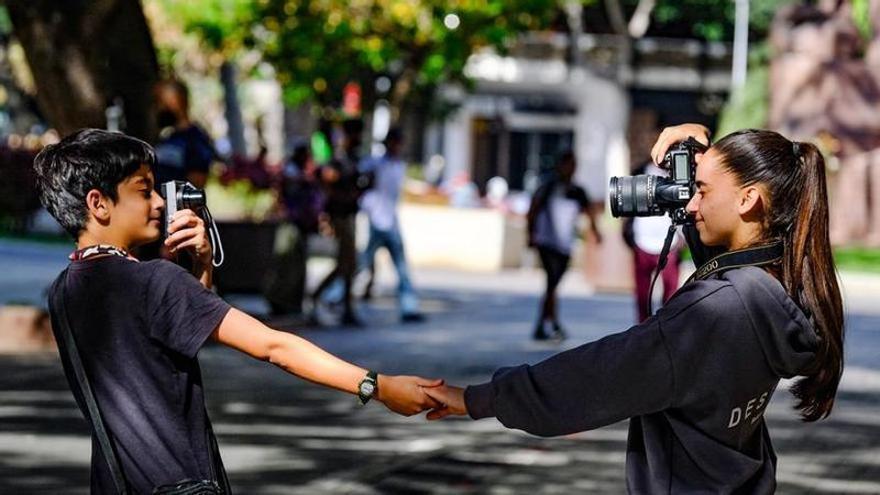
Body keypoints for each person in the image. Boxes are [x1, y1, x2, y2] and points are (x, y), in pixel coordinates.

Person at [424, 124, 845, 493]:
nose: (690, 204)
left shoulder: (716, 311)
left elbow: (595, 376)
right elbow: (729, 264)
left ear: (749, 199)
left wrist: (476, 399)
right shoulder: (776, 287)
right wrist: (704, 159)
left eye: (700, 190)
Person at [33, 129, 442, 493]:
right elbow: (273, 347)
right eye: (144, 190)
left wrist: (201, 267)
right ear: (98, 204)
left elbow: (174, 345)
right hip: (181, 481)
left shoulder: (64, 290)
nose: (159, 202)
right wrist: (380, 387)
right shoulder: (154, 280)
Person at [526, 151, 602, 340]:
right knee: (552, 283)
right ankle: (551, 324)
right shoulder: (549, 186)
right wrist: (530, 235)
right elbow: (533, 210)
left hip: (564, 244)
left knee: (552, 286)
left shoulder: (577, 190)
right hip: (547, 242)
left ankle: (545, 323)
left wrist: (595, 232)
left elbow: (589, 211)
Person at [357, 128, 424, 322]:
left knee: (402, 269)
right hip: (376, 221)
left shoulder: (398, 166)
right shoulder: (375, 163)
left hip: (391, 222)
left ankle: (409, 307)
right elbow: (363, 183)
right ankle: (334, 297)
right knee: (362, 263)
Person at [312, 118, 371, 326]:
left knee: (349, 264)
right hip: (340, 215)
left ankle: (345, 307)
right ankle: (317, 296)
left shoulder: (353, 158)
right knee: (346, 263)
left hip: (350, 215)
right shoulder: (337, 159)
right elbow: (327, 184)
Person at [264, 142, 323, 316]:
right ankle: (278, 299)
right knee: (285, 262)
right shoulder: (291, 172)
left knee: (297, 265)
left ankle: (291, 302)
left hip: (301, 224)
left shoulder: (301, 173)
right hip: (290, 223)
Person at [622, 162, 684, 322]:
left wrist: (682, 237)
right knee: (642, 294)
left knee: (671, 293)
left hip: (670, 242)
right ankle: (643, 330)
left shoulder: (680, 173)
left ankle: (666, 327)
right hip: (642, 240)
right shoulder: (640, 171)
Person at [152, 79, 217, 188]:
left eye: (161, 102)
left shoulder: (196, 138)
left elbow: (197, 182)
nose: (158, 109)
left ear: (176, 102)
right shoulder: (166, 137)